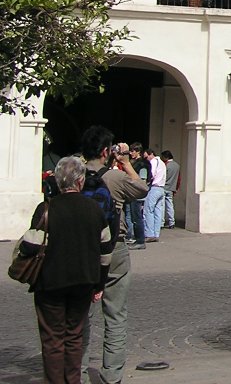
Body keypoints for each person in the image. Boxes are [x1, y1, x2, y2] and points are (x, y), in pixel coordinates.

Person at [18, 155, 114, 384]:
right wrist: (99, 284)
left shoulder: (46, 208)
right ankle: (73, 380)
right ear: (80, 181)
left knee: (52, 339)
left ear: (58, 181)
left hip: (50, 282)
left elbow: (29, 245)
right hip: (83, 281)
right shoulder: (94, 209)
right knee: (74, 336)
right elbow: (105, 251)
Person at [79, 127, 147, 384]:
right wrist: (126, 164)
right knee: (116, 313)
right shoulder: (115, 178)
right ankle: (112, 375)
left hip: (81, 248)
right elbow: (141, 189)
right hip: (114, 246)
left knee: (81, 314)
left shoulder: (74, 175)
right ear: (107, 152)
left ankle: (80, 373)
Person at [124, 144, 147, 249]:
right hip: (132, 193)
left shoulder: (142, 164)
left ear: (138, 152)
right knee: (134, 218)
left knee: (137, 218)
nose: (131, 153)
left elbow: (143, 179)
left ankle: (140, 241)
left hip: (137, 194)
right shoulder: (134, 163)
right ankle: (137, 239)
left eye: (133, 151)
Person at [142, 149, 166, 243]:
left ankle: (149, 234)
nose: (146, 159)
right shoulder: (162, 163)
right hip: (161, 188)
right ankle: (156, 233)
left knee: (148, 210)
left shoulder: (154, 161)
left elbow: (152, 173)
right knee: (157, 212)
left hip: (154, 187)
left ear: (151, 154)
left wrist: (147, 181)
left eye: (146, 157)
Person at [160, 151, 180, 229]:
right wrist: (176, 188)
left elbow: (163, 176)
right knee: (170, 206)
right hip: (172, 188)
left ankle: (161, 222)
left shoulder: (165, 165)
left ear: (166, 157)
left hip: (164, 187)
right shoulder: (177, 165)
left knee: (162, 206)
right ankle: (172, 222)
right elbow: (178, 178)